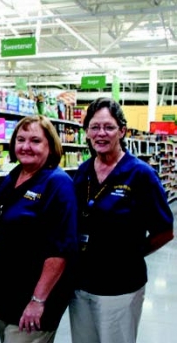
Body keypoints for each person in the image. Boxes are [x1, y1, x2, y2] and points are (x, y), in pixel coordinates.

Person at [69, 97, 174, 343]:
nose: (101, 134)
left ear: (122, 131)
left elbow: (164, 230)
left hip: (121, 286)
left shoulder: (141, 174)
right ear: (86, 132)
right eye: (94, 127)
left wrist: (133, 254)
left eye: (109, 127)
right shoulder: (83, 171)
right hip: (81, 284)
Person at [0, 115, 78, 343]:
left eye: (35, 141)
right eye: (20, 139)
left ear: (50, 146)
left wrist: (38, 300)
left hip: (33, 300)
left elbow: (60, 250)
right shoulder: (13, 176)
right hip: (5, 296)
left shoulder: (57, 184)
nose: (26, 146)